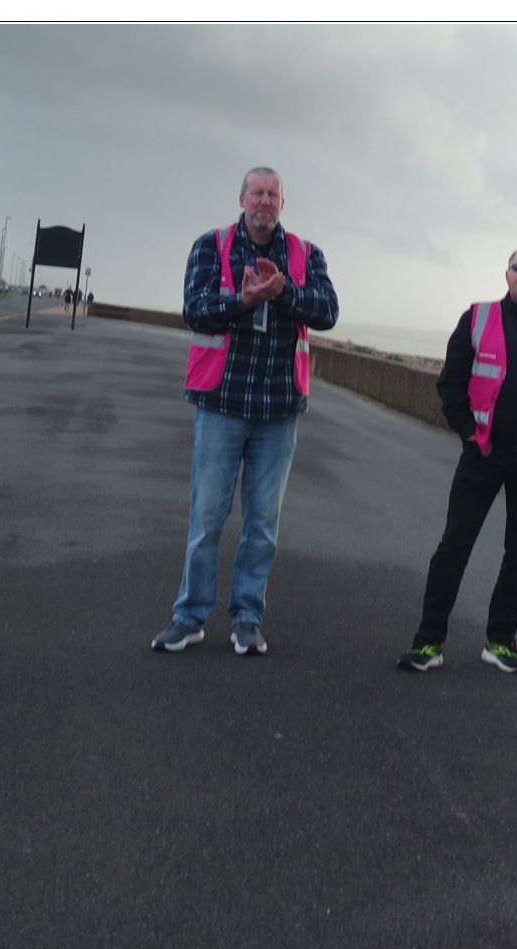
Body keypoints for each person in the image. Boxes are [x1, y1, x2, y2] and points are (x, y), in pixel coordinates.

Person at [152, 167, 338, 655]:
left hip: (279, 410)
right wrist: (242, 300)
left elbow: (327, 312)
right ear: (241, 198)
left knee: (262, 524)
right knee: (206, 519)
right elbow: (195, 309)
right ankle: (189, 616)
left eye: (273, 194)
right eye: (257, 192)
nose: (264, 201)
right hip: (222, 404)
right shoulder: (211, 246)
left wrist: (283, 294)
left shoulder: (304, 254)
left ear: (282, 203)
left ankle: (246, 618)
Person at [397, 247, 517, 675]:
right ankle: (428, 640)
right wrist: (470, 435)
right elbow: (451, 384)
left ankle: (500, 640)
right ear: (506, 275)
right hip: (486, 453)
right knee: (455, 546)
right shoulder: (478, 318)